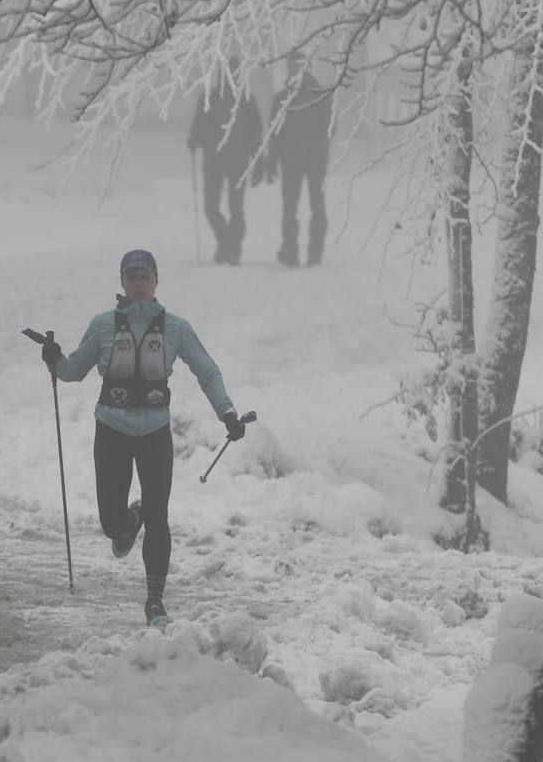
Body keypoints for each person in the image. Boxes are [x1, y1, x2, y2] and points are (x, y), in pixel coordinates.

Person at [38, 249, 248, 626]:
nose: (138, 283)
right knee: (111, 524)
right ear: (121, 282)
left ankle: (155, 601)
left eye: (144, 277)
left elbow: (208, 371)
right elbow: (73, 371)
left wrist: (227, 412)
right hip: (111, 432)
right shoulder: (103, 324)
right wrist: (54, 358)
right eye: (131, 276)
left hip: (155, 433)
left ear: (155, 283)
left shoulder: (176, 328)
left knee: (158, 514)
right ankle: (127, 524)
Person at [187, 57, 263, 265]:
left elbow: (255, 133)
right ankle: (229, 244)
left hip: (226, 161)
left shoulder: (242, 99)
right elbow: (198, 127)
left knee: (226, 207)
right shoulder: (219, 97)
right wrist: (194, 139)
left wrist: (194, 141)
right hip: (226, 161)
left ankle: (229, 246)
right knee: (220, 207)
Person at [268, 51, 334, 266]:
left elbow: (330, 125)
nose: (294, 70)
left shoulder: (314, 95)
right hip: (302, 159)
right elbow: (274, 130)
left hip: (303, 159)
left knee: (304, 206)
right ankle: (300, 251)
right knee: (301, 206)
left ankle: (302, 251)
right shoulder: (290, 97)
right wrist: (273, 158)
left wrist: (275, 155)